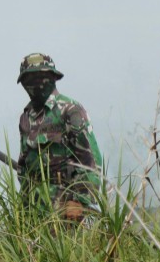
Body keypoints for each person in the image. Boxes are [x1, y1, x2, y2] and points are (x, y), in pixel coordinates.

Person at [15, 53, 103, 222]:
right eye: (29, 79)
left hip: (64, 205)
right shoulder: (26, 117)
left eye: (40, 76)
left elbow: (90, 160)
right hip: (31, 206)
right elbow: (23, 164)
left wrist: (78, 200)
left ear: (53, 77)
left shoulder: (70, 110)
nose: (35, 83)